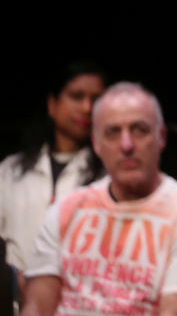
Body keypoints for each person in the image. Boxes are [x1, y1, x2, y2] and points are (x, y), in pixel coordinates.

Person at [21, 82, 177, 316]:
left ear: (161, 137)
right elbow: (37, 307)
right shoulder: (68, 209)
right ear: (97, 144)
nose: (126, 145)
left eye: (139, 130)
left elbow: (174, 312)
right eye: (113, 132)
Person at [0, 62, 106, 278]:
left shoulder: (109, 175)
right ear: (52, 105)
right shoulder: (11, 170)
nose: (87, 107)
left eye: (96, 100)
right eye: (77, 96)